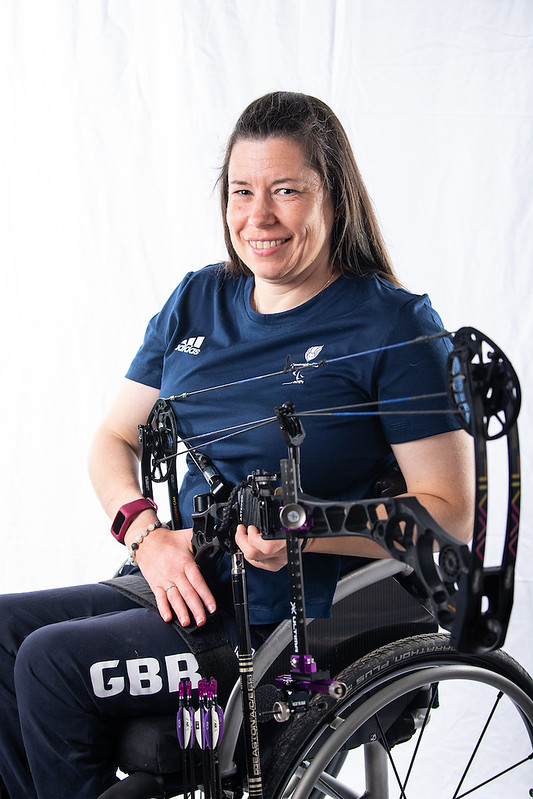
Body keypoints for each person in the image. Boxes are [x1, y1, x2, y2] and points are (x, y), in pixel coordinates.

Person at [0, 91, 474, 799]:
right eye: (241, 191)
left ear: (331, 197)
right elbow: (112, 437)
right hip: (190, 582)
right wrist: (146, 534)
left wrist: (302, 533)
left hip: (297, 623)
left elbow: (449, 512)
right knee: (4, 632)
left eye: (286, 190)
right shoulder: (197, 300)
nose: (259, 217)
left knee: (49, 661)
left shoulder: (393, 325)